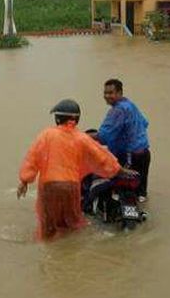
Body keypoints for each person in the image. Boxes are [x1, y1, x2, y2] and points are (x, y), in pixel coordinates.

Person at [18, 99, 136, 241]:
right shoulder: (81, 138)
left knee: (48, 227)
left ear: (57, 118)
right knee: (72, 224)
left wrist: (24, 180)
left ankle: (49, 255)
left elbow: (32, 157)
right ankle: (71, 254)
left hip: (49, 186)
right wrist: (121, 170)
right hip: (71, 186)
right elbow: (102, 157)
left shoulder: (46, 135)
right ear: (77, 119)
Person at [94, 79, 151, 202]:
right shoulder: (130, 105)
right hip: (144, 153)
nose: (107, 96)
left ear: (120, 93)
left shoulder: (117, 110)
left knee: (119, 188)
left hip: (129, 155)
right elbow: (145, 123)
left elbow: (103, 136)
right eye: (105, 93)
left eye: (111, 93)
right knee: (141, 193)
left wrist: (83, 137)